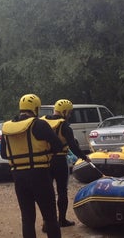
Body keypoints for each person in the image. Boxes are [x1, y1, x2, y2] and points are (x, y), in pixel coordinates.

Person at [1, 93, 64, 238]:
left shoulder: (7, 128)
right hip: (40, 174)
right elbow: (58, 146)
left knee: (27, 219)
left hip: (18, 177)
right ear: (36, 109)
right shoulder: (39, 124)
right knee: (50, 218)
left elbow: (4, 154)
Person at [41, 99, 91, 231]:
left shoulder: (42, 122)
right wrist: (84, 157)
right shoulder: (64, 125)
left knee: (47, 192)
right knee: (62, 191)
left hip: (45, 161)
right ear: (65, 112)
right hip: (59, 161)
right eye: (69, 113)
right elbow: (73, 146)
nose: (69, 115)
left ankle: (47, 222)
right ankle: (62, 220)